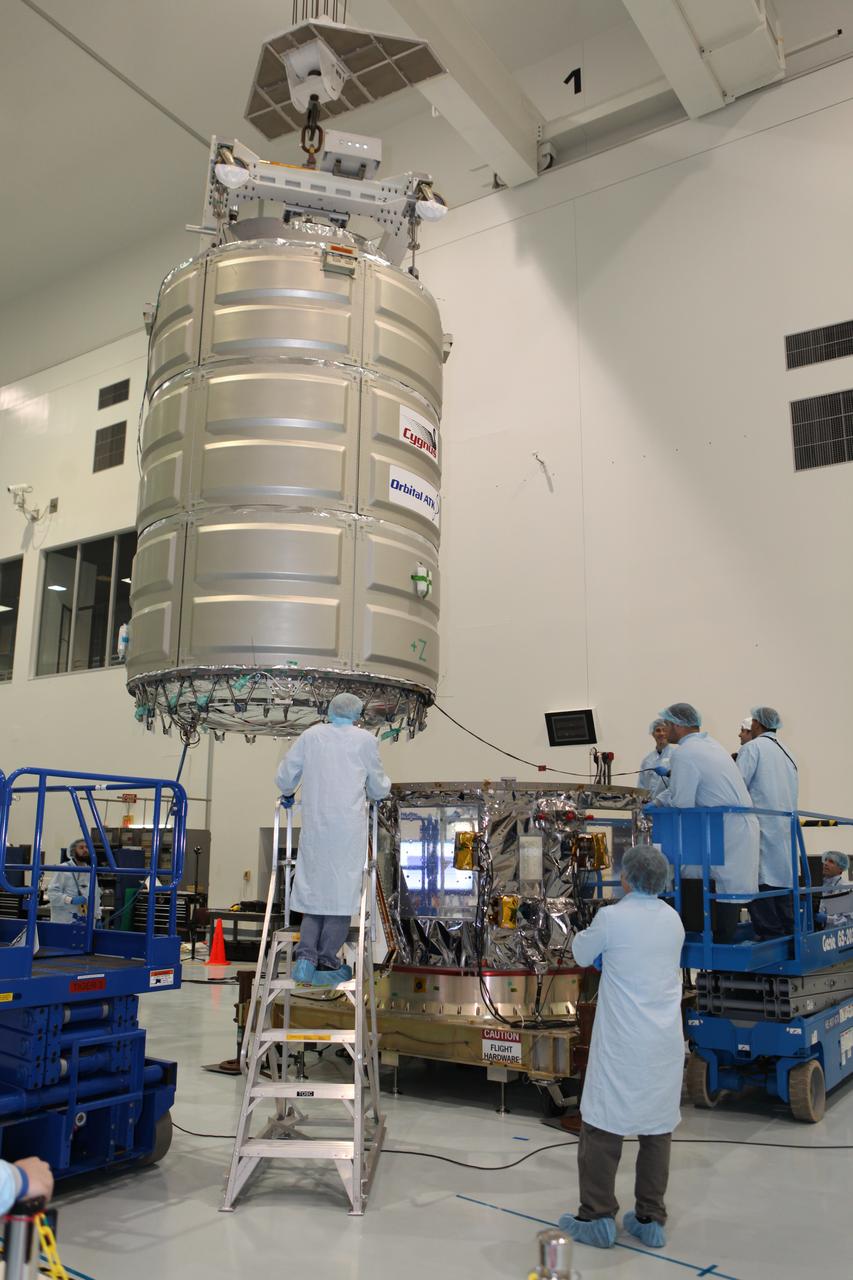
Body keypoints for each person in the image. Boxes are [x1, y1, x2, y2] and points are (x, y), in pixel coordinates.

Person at [559, 845, 685, 1251]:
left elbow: (580, 952)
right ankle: (650, 1218)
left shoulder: (612, 918)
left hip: (623, 1043)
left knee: (601, 1127)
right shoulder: (674, 920)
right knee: (656, 1128)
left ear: (627, 878)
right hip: (663, 1043)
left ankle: (596, 1217)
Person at [275, 692, 390, 987]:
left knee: (313, 892)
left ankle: (305, 958)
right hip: (347, 829)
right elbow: (377, 787)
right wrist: (380, 791)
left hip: (316, 826)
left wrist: (288, 793)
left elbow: (287, 775)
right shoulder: (365, 740)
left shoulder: (312, 735)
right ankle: (327, 959)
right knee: (340, 895)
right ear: (357, 713)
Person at [653, 703, 759, 943]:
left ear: (678, 725)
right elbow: (688, 791)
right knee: (725, 890)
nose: (663, 729)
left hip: (723, 830)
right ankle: (722, 937)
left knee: (712, 887)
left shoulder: (684, 753)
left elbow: (683, 802)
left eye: (666, 725)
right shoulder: (710, 745)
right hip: (733, 826)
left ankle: (713, 937)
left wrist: (656, 806)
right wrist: (659, 800)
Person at [736, 707, 798, 940]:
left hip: (759, 827)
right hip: (783, 829)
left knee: (758, 879)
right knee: (780, 880)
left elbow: (736, 787)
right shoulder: (787, 753)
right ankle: (789, 934)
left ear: (757, 725)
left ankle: (770, 934)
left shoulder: (752, 748)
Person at [47, 837, 101, 924]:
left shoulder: (91, 871)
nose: (85, 850)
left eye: (87, 847)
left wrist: (97, 916)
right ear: (73, 851)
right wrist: (70, 900)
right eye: (81, 847)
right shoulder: (63, 869)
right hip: (64, 921)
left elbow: (96, 896)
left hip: (86, 922)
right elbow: (52, 894)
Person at [638, 720, 676, 800]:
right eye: (658, 730)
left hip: (669, 806)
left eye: (664, 730)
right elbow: (641, 786)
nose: (662, 733)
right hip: (649, 806)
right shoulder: (647, 760)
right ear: (653, 734)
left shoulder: (676, 756)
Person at [819, 852, 853, 927]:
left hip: (836, 936)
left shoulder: (844, 889)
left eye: (831, 862)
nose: (826, 863)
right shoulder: (819, 885)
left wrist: (827, 919)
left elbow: (848, 921)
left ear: (840, 868)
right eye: (825, 860)